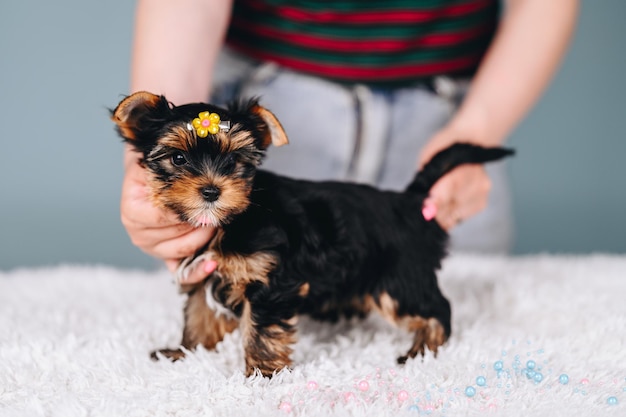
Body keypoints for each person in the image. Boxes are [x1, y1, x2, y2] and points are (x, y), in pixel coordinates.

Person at [122, 0, 578, 284]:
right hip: (266, 106)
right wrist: (155, 144)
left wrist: (476, 133)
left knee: (443, 298)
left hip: (457, 112)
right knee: (230, 291)